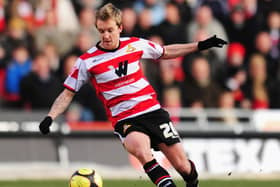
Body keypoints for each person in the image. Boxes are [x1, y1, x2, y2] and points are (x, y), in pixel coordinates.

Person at [39, 3, 227, 187]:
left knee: (183, 166)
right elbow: (67, 93)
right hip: (125, 119)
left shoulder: (135, 45)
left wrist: (200, 45)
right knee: (142, 151)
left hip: (152, 111)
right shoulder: (87, 61)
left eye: (110, 30)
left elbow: (166, 51)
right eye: (101, 30)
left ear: (120, 27)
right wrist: (50, 117)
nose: (105, 35)